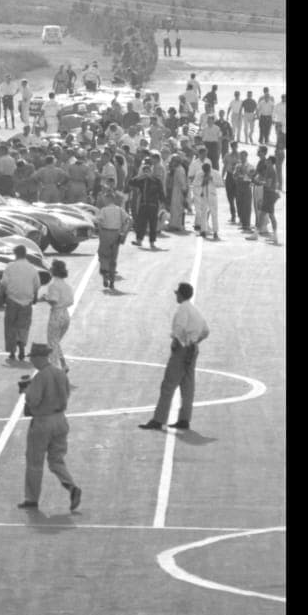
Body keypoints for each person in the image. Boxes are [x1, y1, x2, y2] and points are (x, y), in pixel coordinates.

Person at [16, 344, 81, 512]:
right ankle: (71, 485)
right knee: (56, 460)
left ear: (39, 358)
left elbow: (34, 400)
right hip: (60, 419)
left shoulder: (40, 377)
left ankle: (32, 498)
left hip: (42, 421)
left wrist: (26, 390)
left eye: (33, 358)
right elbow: (66, 394)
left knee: (34, 462)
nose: (31, 361)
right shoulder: (60, 374)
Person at [139, 283, 210, 431]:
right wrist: (194, 343)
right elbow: (205, 331)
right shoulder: (194, 310)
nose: (176, 295)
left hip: (183, 350)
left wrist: (182, 343)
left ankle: (158, 419)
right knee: (187, 385)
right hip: (193, 349)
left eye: (177, 293)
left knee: (168, 385)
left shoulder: (182, 309)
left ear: (181, 294)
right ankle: (184, 419)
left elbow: (179, 329)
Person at [0, 245, 41, 361]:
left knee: (11, 326)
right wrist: (35, 298)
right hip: (26, 301)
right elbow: (36, 285)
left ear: (16, 254)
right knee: (23, 326)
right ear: (25, 254)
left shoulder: (10, 267)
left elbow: (4, 283)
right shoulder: (32, 268)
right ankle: (22, 346)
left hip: (12, 300)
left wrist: (0, 296)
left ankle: (12, 352)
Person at [38, 260, 73, 374]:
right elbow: (71, 301)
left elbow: (54, 300)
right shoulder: (67, 286)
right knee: (56, 341)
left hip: (56, 314)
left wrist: (45, 298)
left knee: (52, 343)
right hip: (65, 314)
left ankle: (54, 369)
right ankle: (63, 364)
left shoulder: (53, 285)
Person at [96, 193, 130, 291]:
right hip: (116, 234)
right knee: (113, 258)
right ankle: (112, 281)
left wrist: (100, 232)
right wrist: (124, 232)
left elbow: (99, 221)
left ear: (107, 199)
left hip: (106, 233)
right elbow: (128, 220)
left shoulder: (104, 210)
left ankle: (105, 275)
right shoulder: (120, 210)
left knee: (104, 256)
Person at [128, 162, 165, 249]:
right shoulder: (141, 180)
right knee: (141, 223)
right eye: (144, 170)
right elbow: (131, 182)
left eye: (148, 170)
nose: (146, 172)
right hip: (143, 204)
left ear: (151, 171)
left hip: (153, 205)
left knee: (153, 224)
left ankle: (152, 242)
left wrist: (162, 203)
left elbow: (161, 193)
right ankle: (139, 240)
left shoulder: (156, 180)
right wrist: (140, 177)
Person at [196, 163, 219, 241]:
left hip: (212, 196)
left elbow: (220, 183)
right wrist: (203, 181)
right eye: (204, 170)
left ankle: (215, 232)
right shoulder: (199, 174)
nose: (205, 171)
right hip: (204, 196)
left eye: (207, 170)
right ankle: (203, 231)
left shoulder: (215, 173)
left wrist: (212, 179)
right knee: (203, 213)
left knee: (214, 214)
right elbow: (196, 184)